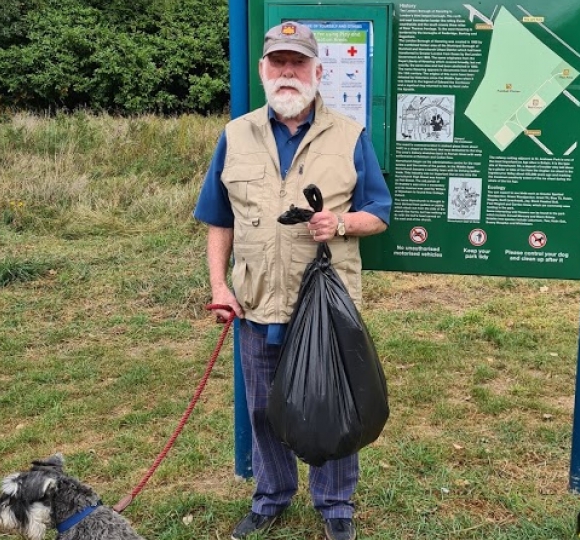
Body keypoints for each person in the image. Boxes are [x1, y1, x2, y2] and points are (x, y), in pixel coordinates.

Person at [192, 21, 392, 540]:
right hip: (257, 303)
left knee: (333, 408)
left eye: (298, 63)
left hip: (325, 308)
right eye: (278, 62)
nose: (287, 72)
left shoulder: (349, 135)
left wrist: (342, 223)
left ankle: (335, 506)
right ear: (263, 70)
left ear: (317, 72)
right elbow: (220, 219)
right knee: (262, 410)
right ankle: (271, 496)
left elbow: (380, 213)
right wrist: (219, 286)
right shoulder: (236, 136)